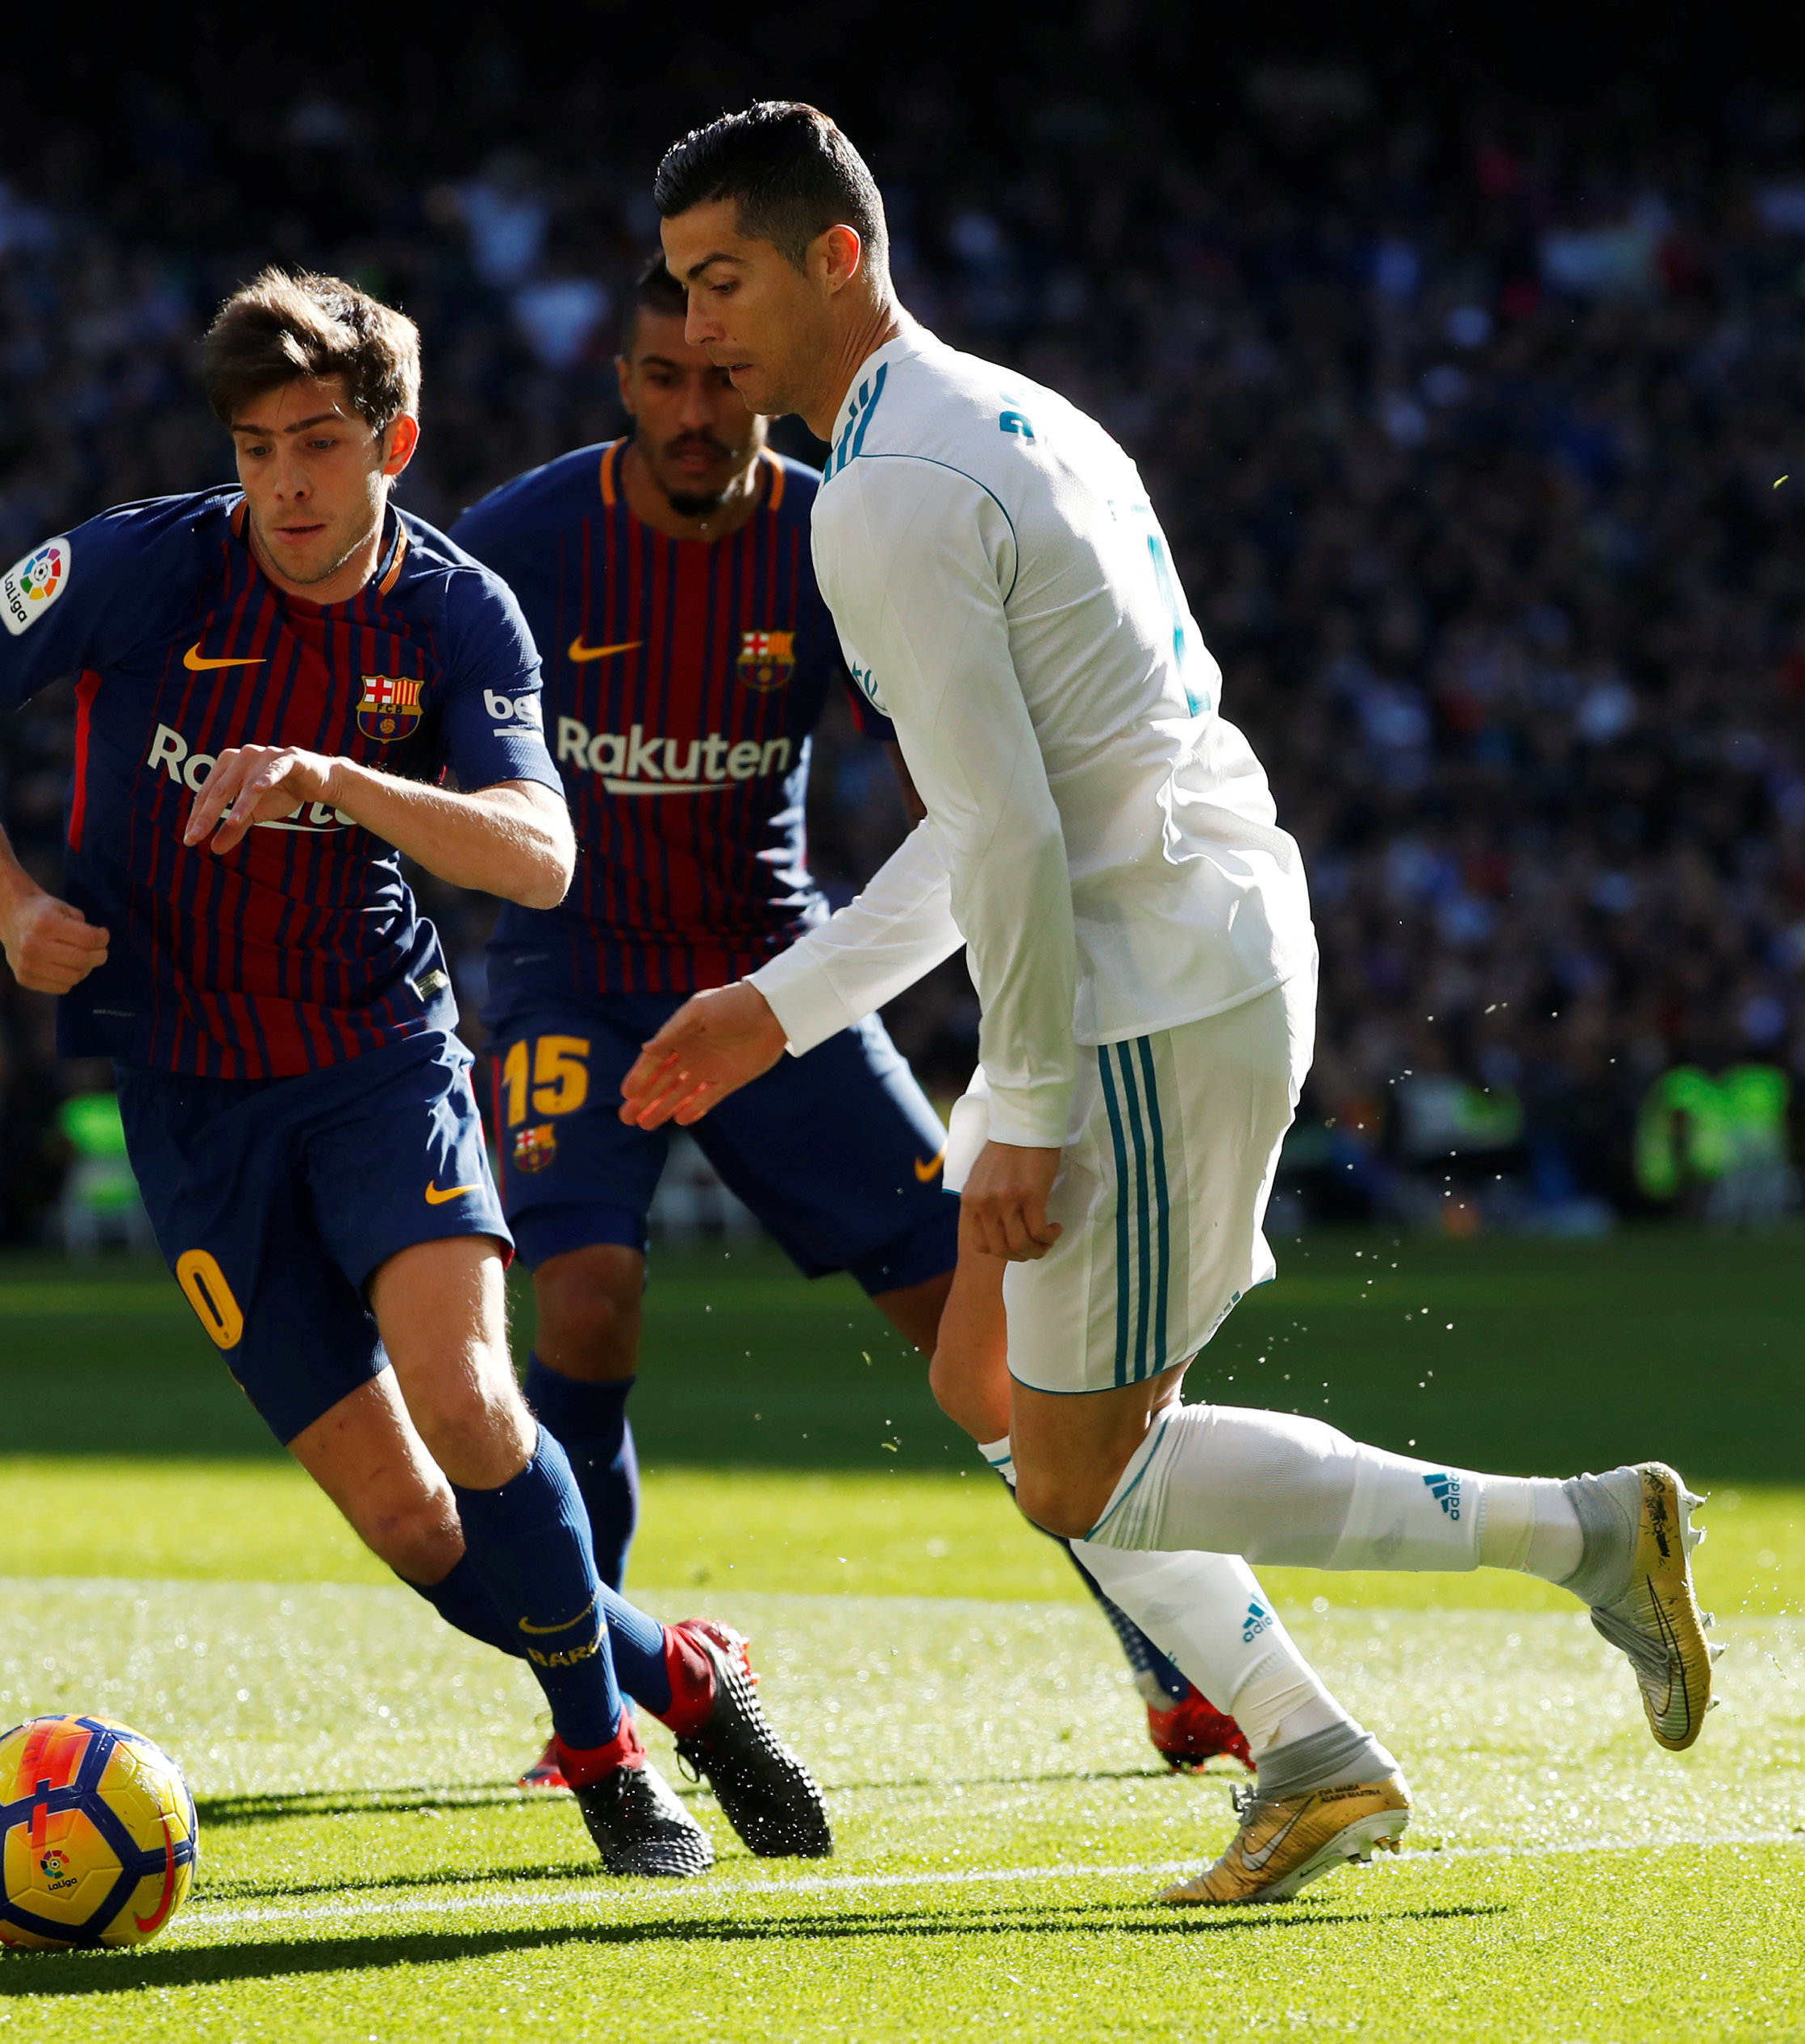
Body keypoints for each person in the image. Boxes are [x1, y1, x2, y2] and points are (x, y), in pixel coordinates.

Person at [623, 103, 1718, 1905]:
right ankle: (1314, 1748)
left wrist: (1030, 1107)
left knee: (1074, 1476)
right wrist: (781, 1006)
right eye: (675, 289)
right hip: (1165, 941)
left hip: (1137, 992)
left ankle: (1577, 1538)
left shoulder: (889, 496)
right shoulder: (1003, 414)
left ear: (840, 255)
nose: (698, 326)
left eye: (727, 278)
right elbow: (1013, 811)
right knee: (984, 1379)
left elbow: (1005, 827)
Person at [0, 266, 828, 1879]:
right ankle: (679, 1668)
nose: (284, 484)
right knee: (410, 1525)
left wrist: (340, 778)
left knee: (470, 1398)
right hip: (181, 1094)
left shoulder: (457, 613)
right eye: (255, 447)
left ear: (393, 439)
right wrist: (8, 900)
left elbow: (538, 856)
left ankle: (605, 1762)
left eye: (317, 443)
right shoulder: (133, 563)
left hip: (377, 1061)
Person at [452, 254, 1251, 1787]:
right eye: (664, 381)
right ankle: (600, 1704)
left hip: (775, 971)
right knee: (585, 1302)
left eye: (718, 378)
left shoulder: (842, 528)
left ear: (754, 374)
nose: (696, 412)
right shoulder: (520, 544)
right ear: (624, 383)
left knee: (982, 1317)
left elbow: (959, 783)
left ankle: (1177, 1660)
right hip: (572, 978)